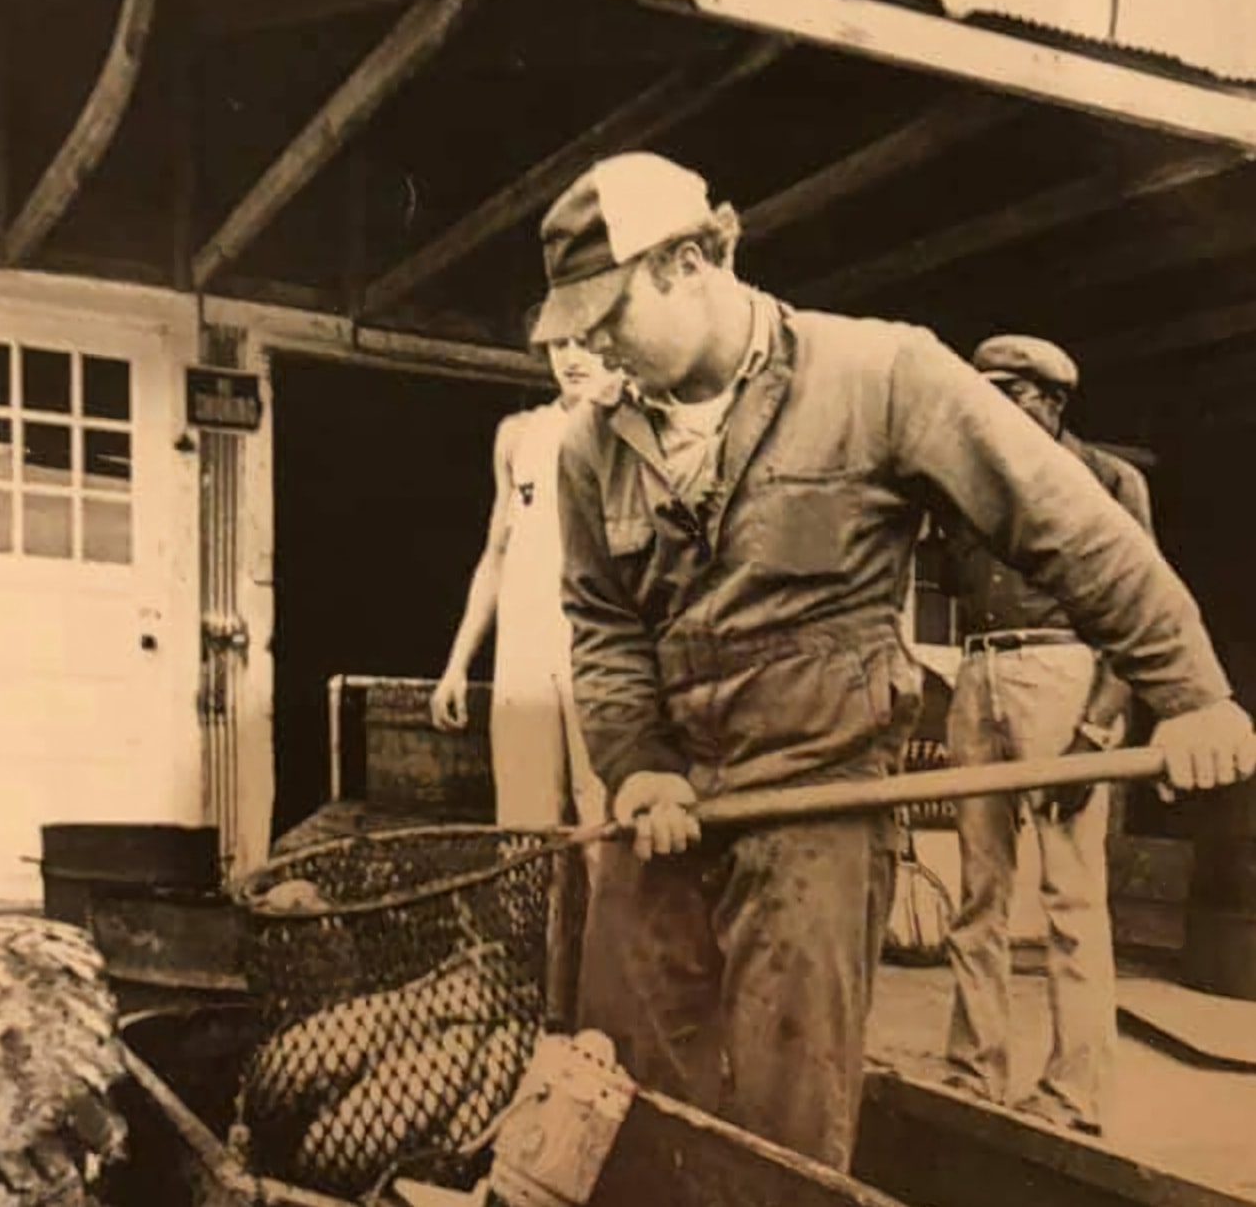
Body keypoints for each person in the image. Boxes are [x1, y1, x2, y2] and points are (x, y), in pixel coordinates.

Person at [530, 149, 1256, 1174]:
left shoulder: (879, 376)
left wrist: (1190, 693)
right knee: (630, 1097)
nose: (593, 345)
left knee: (786, 1122)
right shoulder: (588, 446)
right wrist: (635, 763)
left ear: (691, 261)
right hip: (667, 813)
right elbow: (601, 623)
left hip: (815, 806)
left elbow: (1068, 528)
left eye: (609, 313)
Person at [940, 335, 1151, 1136]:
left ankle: (1074, 1096)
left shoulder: (1106, 480)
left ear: (1053, 400)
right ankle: (974, 1070)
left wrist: (1097, 727)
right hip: (976, 675)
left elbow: (1141, 615)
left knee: (1070, 902)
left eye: (1013, 391)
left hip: (1060, 676)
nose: (995, 403)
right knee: (978, 897)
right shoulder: (967, 483)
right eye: (985, 388)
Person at [430, 323, 617, 831]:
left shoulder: (629, 426)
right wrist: (457, 664)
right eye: (559, 344)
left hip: (597, 644)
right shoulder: (517, 434)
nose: (572, 357)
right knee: (524, 820)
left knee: (604, 818)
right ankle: (540, 915)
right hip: (525, 645)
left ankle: (603, 915)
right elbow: (496, 554)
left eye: (584, 340)